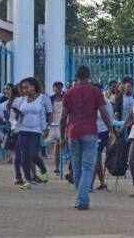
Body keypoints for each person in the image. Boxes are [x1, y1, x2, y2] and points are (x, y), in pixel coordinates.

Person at [60, 65, 115, 210]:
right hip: (90, 132)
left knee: (77, 168)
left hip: (73, 132)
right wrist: (111, 130)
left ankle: (80, 198)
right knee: (88, 168)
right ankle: (82, 199)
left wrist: (62, 136)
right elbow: (104, 113)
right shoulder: (96, 92)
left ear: (76, 76)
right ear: (89, 75)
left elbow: (63, 117)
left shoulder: (69, 93)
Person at [13, 78, 52, 189]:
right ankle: (28, 180)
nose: (24, 90)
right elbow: (15, 113)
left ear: (33, 87)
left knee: (33, 154)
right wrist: (17, 113)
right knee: (24, 156)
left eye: (26, 87)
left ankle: (43, 170)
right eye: (23, 88)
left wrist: (47, 128)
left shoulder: (43, 98)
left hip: (37, 130)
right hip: (23, 130)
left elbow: (49, 113)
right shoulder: (21, 100)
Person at [93, 83, 115, 192]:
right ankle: (102, 183)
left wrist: (111, 132)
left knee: (95, 157)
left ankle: (90, 184)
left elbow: (109, 118)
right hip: (91, 132)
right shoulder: (90, 101)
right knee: (96, 159)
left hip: (102, 132)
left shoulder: (106, 103)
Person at [48, 81, 65, 174]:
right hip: (54, 123)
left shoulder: (65, 98)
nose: (58, 89)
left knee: (65, 144)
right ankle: (57, 167)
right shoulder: (50, 99)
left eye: (59, 87)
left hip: (63, 122)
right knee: (57, 145)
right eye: (56, 87)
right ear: (53, 88)